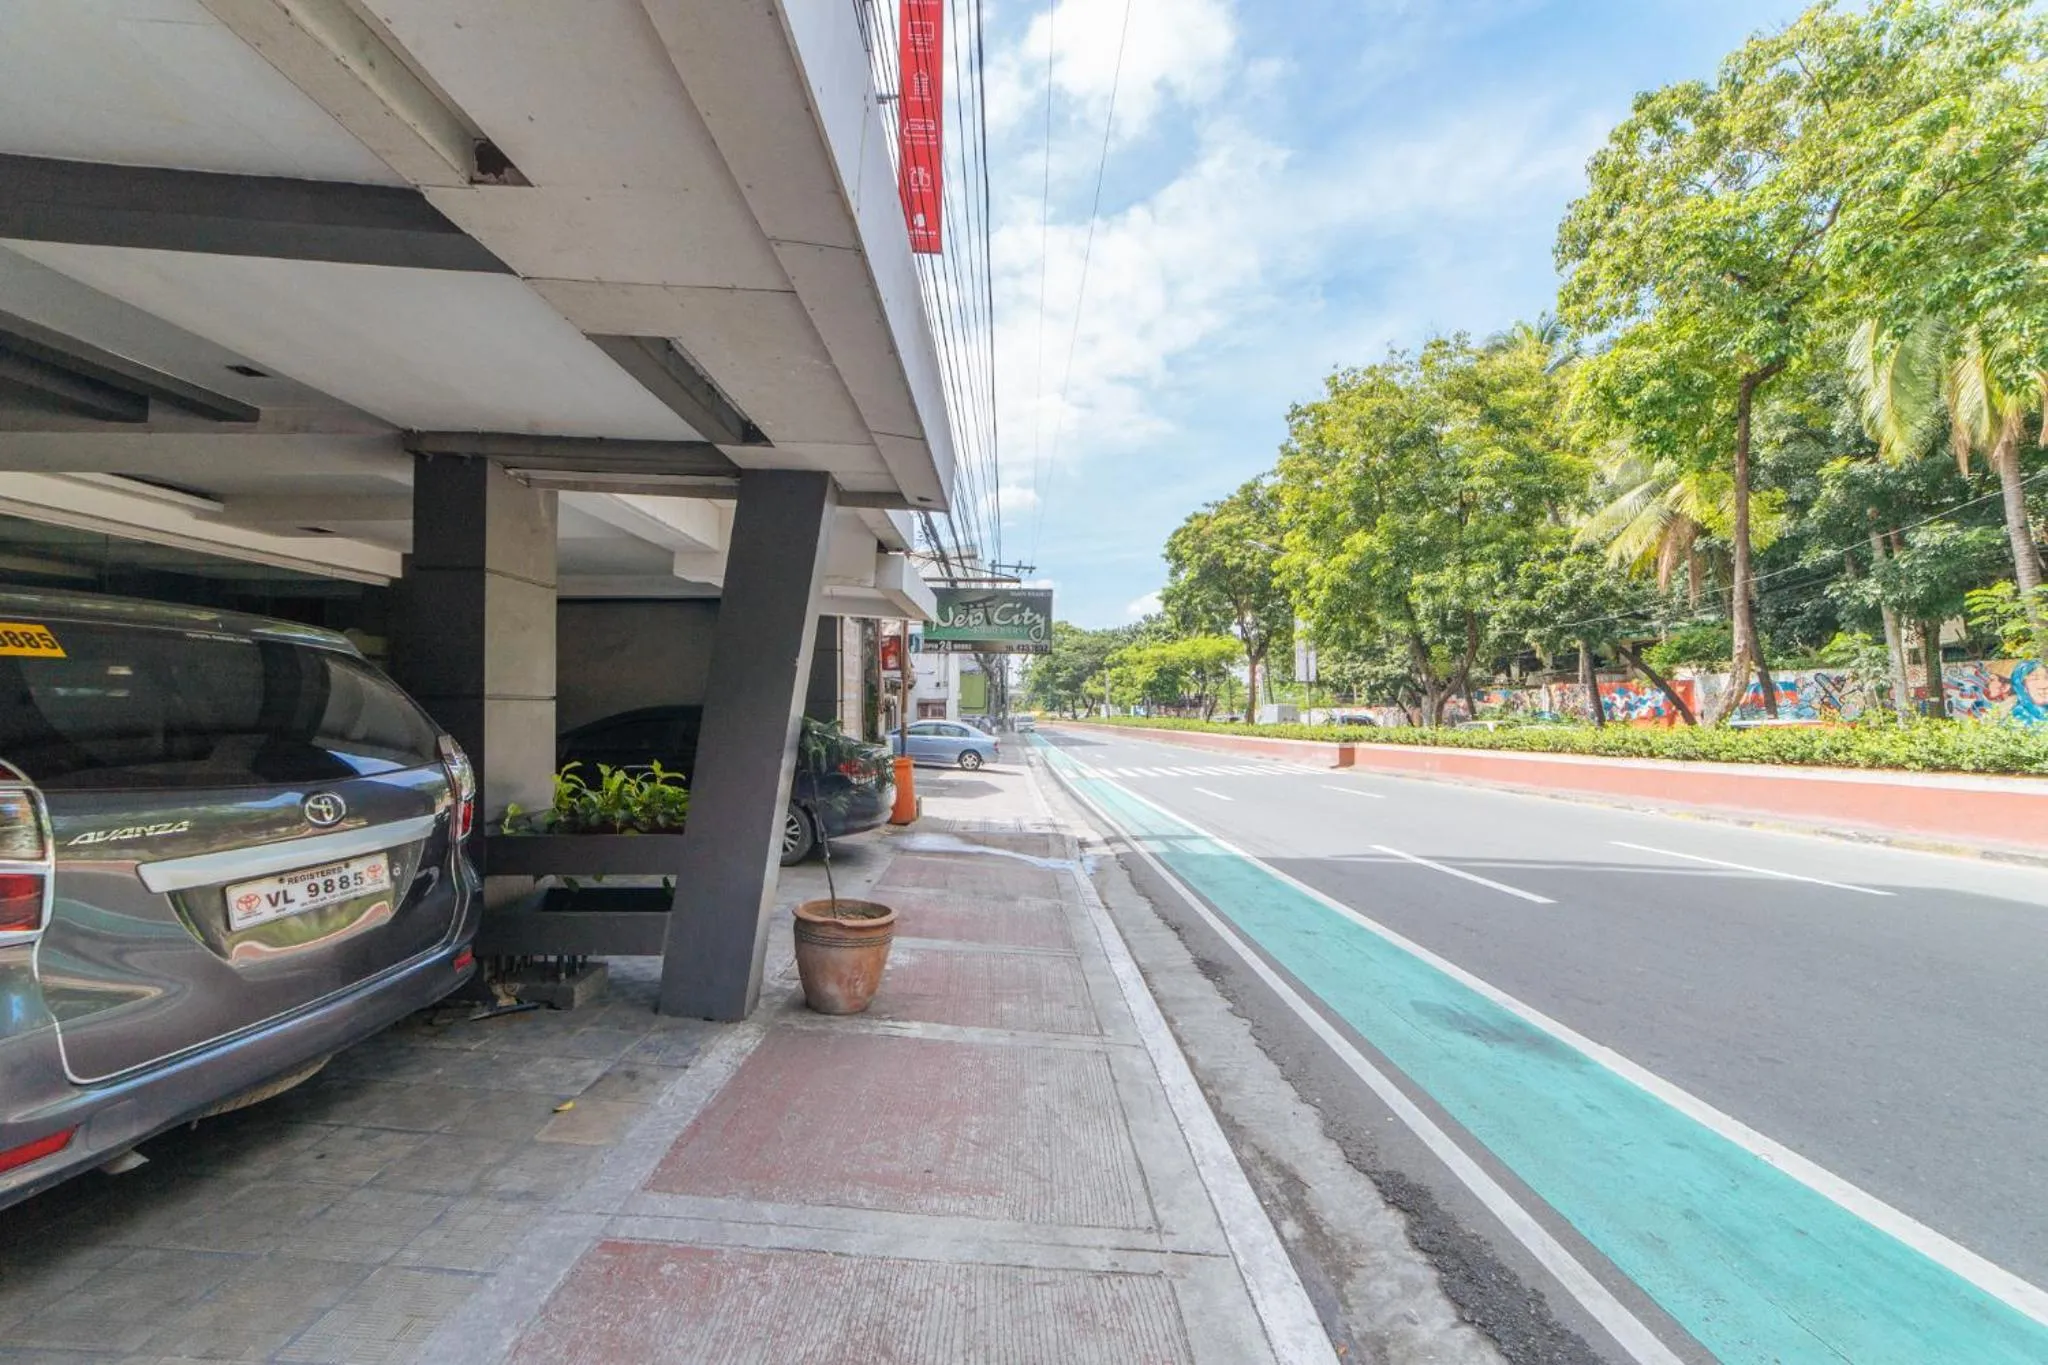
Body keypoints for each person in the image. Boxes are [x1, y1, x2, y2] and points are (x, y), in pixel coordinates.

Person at [2010, 658, 2047, 724]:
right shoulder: (2016, 720)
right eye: (2034, 679)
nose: (2044, 685)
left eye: (2047, 677)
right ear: (2022, 686)